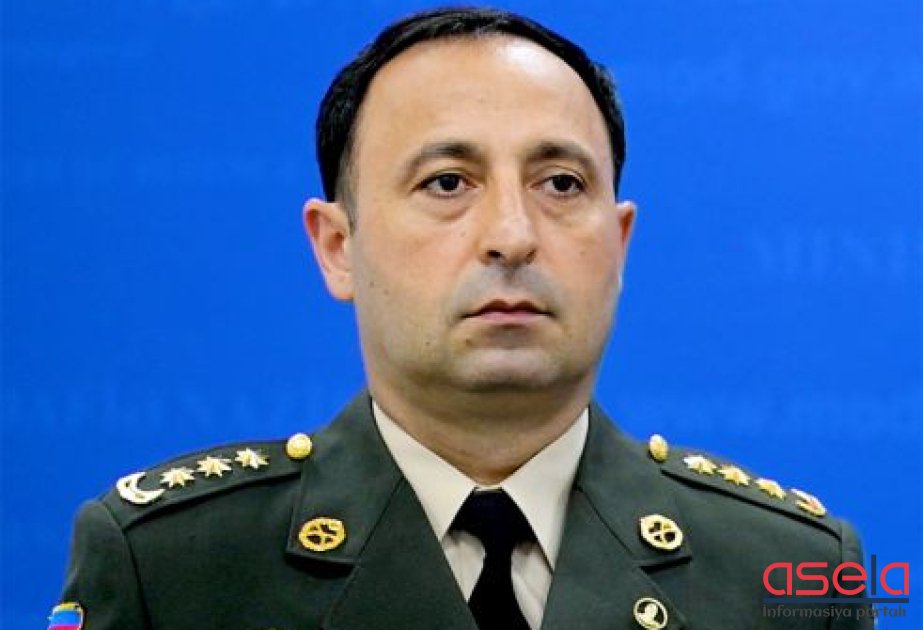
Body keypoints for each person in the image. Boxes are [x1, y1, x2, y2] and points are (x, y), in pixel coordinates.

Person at [50, 7, 871, 630]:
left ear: (618, 245)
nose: (511, 235)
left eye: (560, 184)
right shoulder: (172, 567)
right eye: (447, 183)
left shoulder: (788, 575)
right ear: (337, 247)